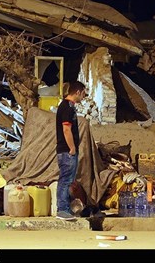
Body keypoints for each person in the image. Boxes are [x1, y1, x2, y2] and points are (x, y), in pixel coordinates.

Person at [55, 80, 87, 220]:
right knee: (65, 180)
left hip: (68, 151)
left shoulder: (69, 106)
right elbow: (66, 129)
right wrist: (72, 147)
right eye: (83, 94)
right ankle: (62, 210)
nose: (84, 97)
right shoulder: (66, 107)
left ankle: (67, 209)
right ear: (78, 92)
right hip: (67, 151)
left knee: (69, 181)